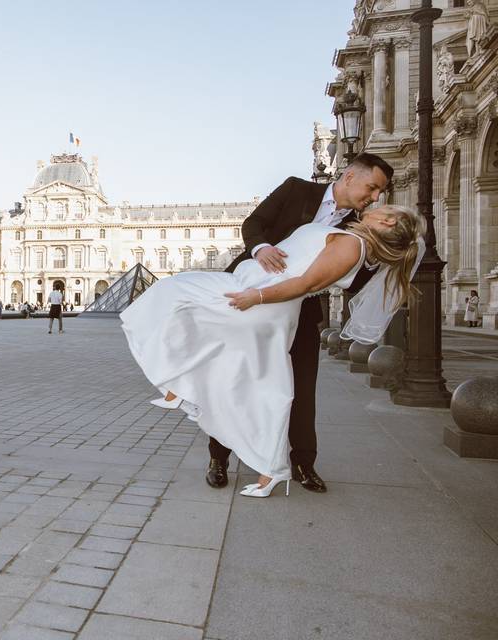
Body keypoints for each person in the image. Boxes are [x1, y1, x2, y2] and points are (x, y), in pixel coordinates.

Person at [122, 203, 422, 499]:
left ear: (388, 223)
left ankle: (266, 464)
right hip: (260, 295)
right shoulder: (352, 241)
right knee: (252, 378)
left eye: (386, 206)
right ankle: (260, 463)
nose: (376, 201)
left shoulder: (351, 246)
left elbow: (305, 283)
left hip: (265, 304)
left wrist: (258, 297)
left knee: (179, 298)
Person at [194, 153, 394, 494]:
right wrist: (260, 248)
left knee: (302, 388)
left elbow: (355, 280)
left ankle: (304, 463)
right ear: (349, 177)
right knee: (236, 379)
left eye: (379, 193)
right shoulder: (296, 189)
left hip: (301, 310)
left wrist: (385, 257)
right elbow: (254, 224)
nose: (374, 197)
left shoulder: (359, 226)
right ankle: (218, 456)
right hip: (251, 296)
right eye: (372, 187)